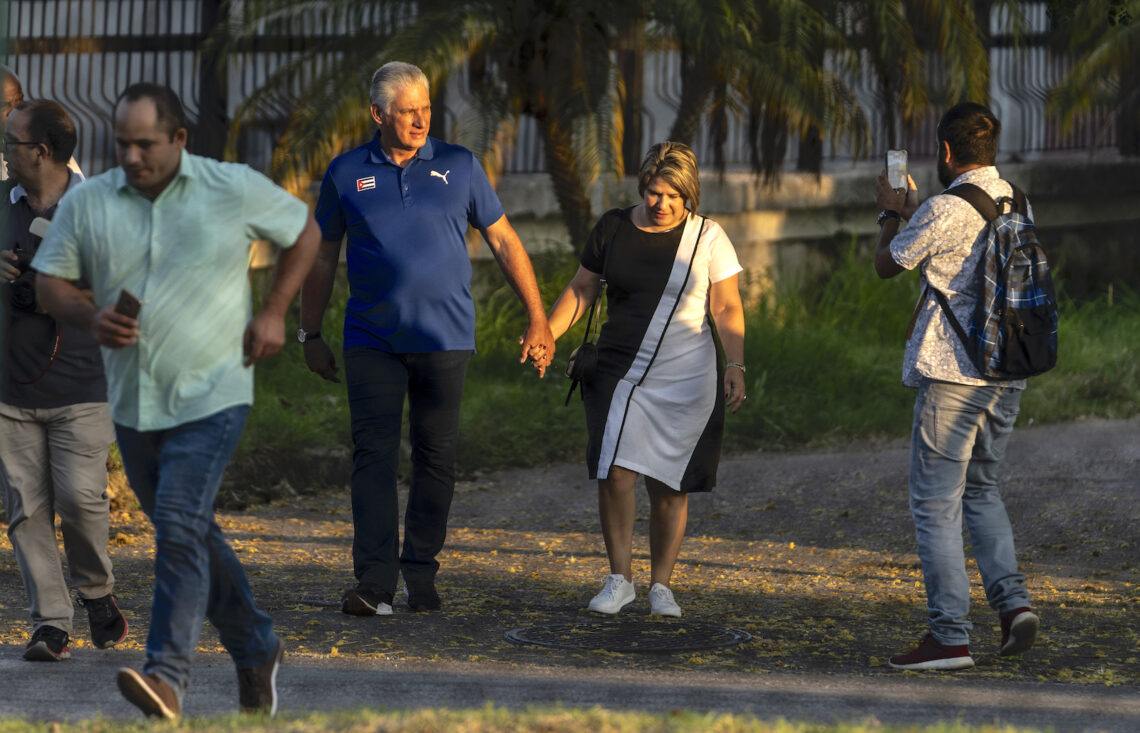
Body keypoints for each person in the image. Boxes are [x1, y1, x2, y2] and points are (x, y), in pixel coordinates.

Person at [33, 83, 321, 719]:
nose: (132, 156)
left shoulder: (230, 185)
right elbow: (50, 283)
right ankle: (256, 644)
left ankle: (167, 676)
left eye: (146, 144)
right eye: (123, 143)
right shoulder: (93, 201)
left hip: (213, 393)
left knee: (180, 524)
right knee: (189, 530)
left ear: (180, 140)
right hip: (134, 401)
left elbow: (306, 231)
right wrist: (90, 314)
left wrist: (275, 312)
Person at [302, 61, 554, 617]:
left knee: (436, 458)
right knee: (372, 455)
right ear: (378, 114)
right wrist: (309, 331)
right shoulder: (346, 173)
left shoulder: (460, 166)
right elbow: (321, 255)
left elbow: (505, 241)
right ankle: (374, 581)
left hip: (445, 339)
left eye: (426, 109)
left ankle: (420, 570)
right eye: (408, 111)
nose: (421, 120)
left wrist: (537, 316)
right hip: (371, 339)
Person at [544, 142, 746, 618]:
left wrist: (735, 364)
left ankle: (661, 586)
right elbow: (581, 288)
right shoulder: (613, 227)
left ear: (689, 194)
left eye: (673, 195)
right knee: (615, 470)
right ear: (642, 188)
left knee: (668, 482)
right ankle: (619, 579)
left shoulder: (709, 238)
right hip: (618, 369)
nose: (661, 204)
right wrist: (547, 335)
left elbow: (727, 305)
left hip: (687, 373)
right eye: (654, 192)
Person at [873, 102, 1039, 670]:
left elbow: (887, 265)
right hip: (1006, 372)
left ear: (945, 152)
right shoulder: (1014, 197)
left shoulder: (943, 208)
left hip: (954, 376)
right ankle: (1013, 604)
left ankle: (949, 636)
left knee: (934, 504)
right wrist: (919, 212)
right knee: (981, 490)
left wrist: (890, 214)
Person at [1, 99, 126, 662]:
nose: (4, 153)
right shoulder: (1, 206)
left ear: (41, 151)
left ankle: (97, 592)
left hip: (82, 385)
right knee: (25, 511)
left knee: (80, 501)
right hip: (9, 389)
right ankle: (51, 622)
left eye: (11, 144)